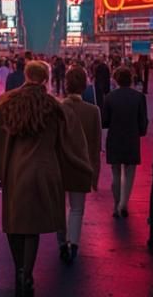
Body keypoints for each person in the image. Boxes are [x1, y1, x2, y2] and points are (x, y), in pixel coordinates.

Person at [0, 60, 91, 297]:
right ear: (46, 79)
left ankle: (18, 270)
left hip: (15, 170)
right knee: (32, 227)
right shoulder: (55, 106)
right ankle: (27, 274)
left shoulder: (8, 102)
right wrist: (82, 168)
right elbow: (70, 142)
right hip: (46, 170)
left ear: (26, 75)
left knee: (13, 224)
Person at [57, 65, 101, 264]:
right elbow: (95, 144)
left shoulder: (58, 109)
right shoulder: (93, 111)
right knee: (76, 209)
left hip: (58, 164)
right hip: (82, 165)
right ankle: (73, 244)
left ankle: (61, 243)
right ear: (84, 86)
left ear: (65, 85)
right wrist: (95, 173)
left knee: (59, 207)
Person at [102, 66, 148, 217]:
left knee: (115, 173)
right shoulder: (139, 97)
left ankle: (116, 205)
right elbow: (143, 121)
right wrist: (140, 132)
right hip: (132, 137)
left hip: (115, 137)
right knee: (129, 173)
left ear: (116, 79)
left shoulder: (109, 97)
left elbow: (105, 121)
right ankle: (124, 204)